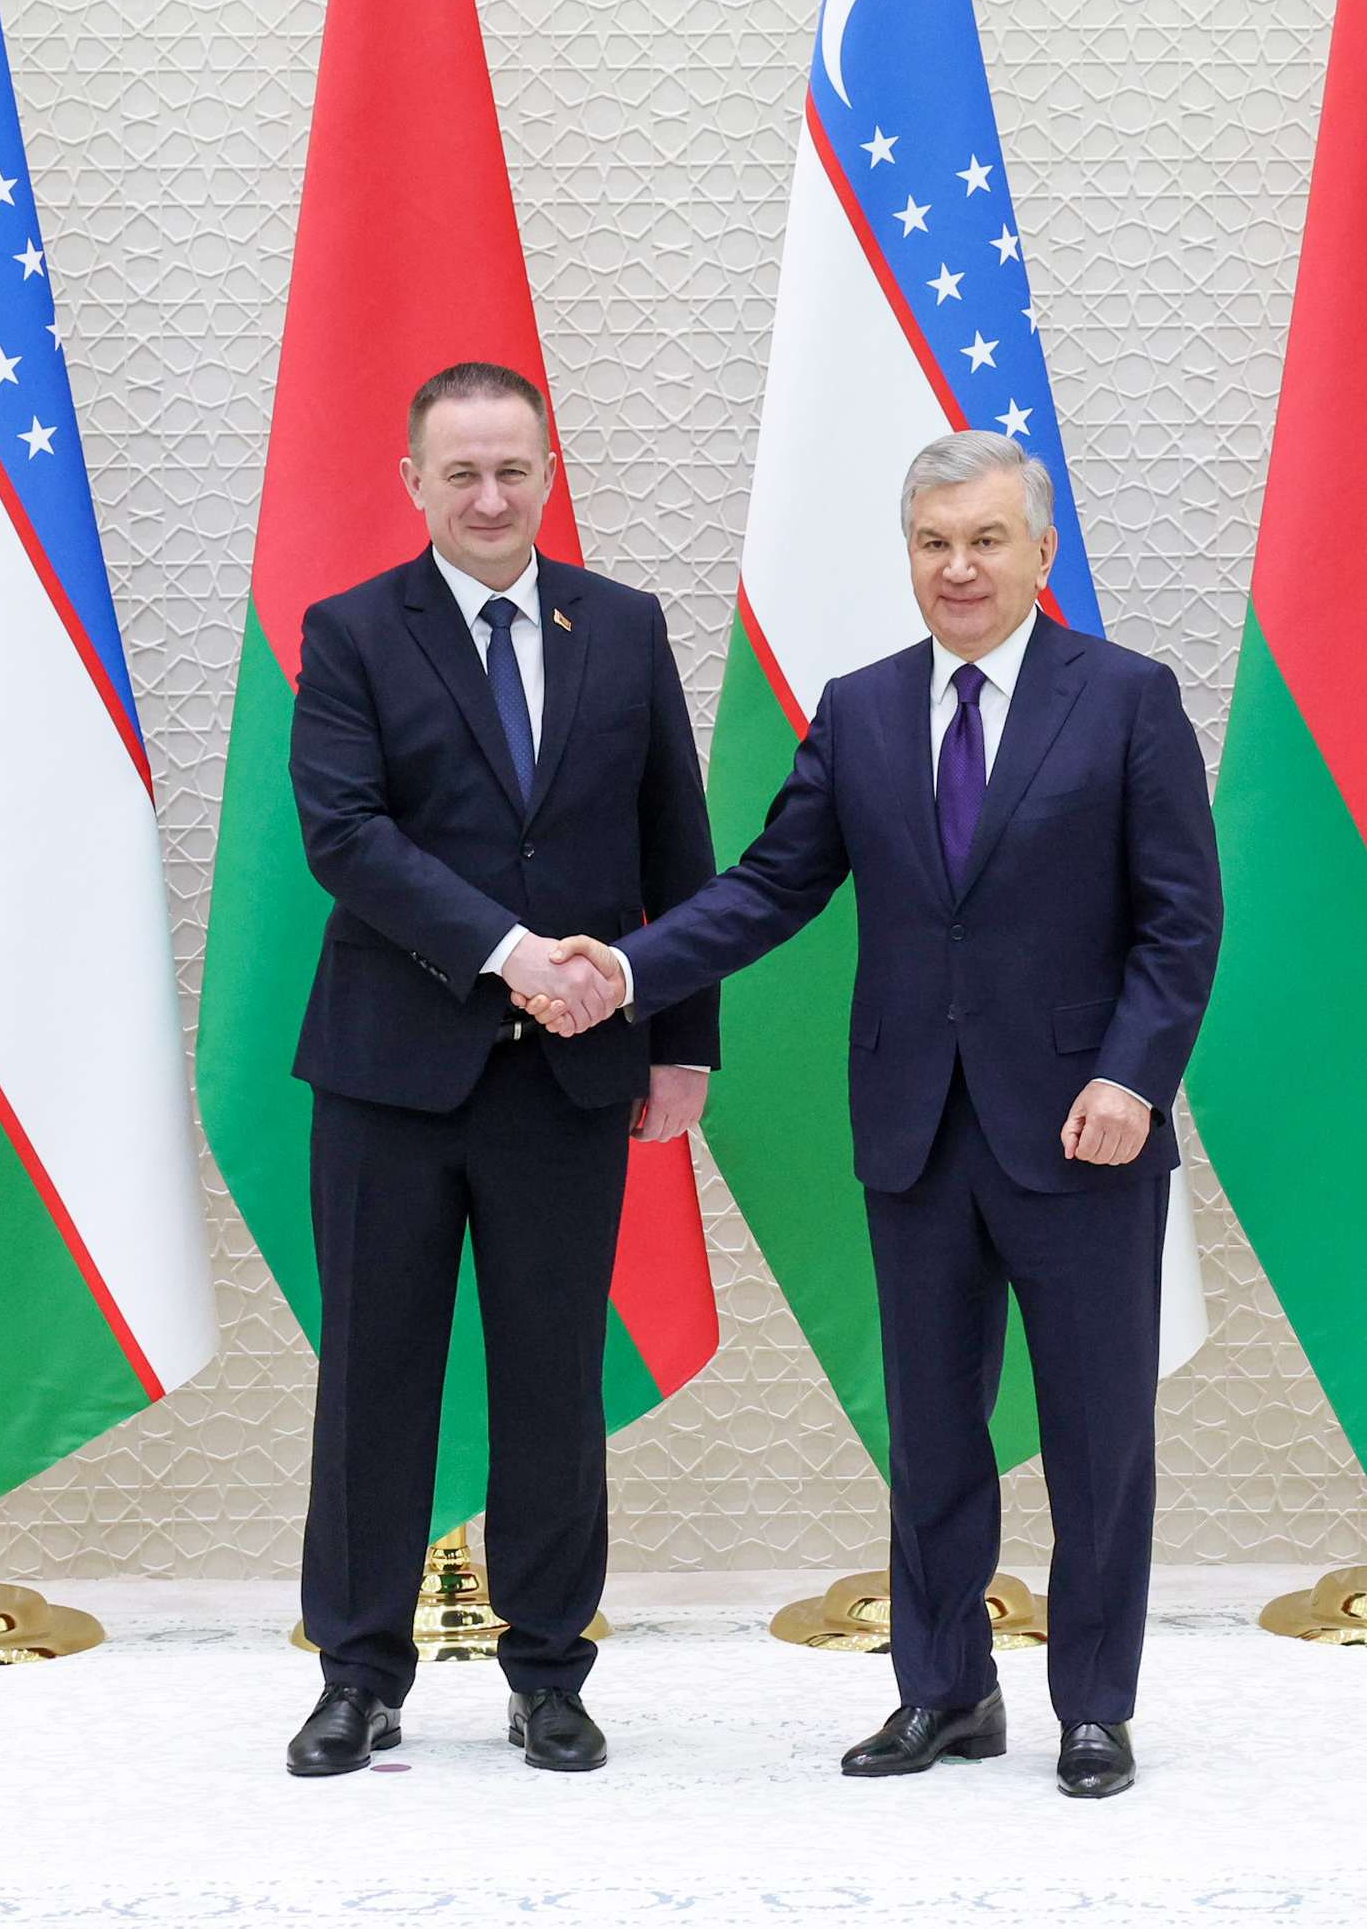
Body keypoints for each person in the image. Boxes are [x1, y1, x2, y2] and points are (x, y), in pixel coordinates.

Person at [522, 430, 1220, 1800]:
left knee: (1097, 1440)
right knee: (934, 1435)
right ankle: (945, 1690)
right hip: (916, 1132)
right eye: (934, 543)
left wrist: (1132, 1077)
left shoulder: (1127, 699)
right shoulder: (862, 709)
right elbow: (767, 887)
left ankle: (1094, 1707)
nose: (959, 567)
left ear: (1041, 552)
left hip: (1086, 1131)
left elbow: (1181, 919)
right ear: (910, 555)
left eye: (986, 540)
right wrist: (629, 969)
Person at [278, 361, 718, 1779]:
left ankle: (549, 1671)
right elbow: (346, 836)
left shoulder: (624, 625)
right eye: (460, 472)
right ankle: (358, 1673)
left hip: (572, 1081)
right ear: (413, 481)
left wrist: (685, 1041)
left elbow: (676, 840)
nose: (487, 497)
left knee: (552, 1381)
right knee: (375, 1379)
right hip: (390, 1079)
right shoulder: (351, 631)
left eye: (512, 470)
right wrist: (513, 951)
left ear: (548, 474)